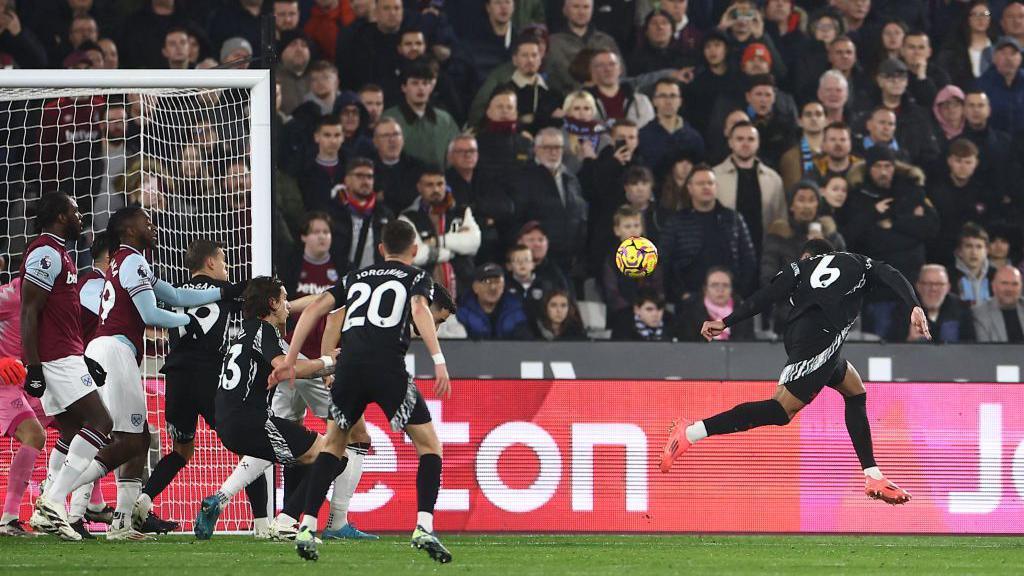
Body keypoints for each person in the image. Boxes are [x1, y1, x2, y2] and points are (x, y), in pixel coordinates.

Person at [662, 238, 928, 507]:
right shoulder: (858, 262)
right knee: (780, 411)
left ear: (810, 255)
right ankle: (692, 432)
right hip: (820, 339)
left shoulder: (798, 269)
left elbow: (765, 297)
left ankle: (873, 475)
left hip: (803, 337)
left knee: (855, 391)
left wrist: (726, 321)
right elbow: (890, 274)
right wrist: (914, 305)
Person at [270, 219, 457, 563]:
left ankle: (308, 526)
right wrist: (439, 359)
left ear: (381, 249)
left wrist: (291, 359)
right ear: (414, 251)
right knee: (429, 445)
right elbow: (418, 309)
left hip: (348, 369)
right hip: (388, 368)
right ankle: (424, 526)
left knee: (334, 445)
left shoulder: (354, 278)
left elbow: (314, 308)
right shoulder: (417, 278)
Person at [191, 276, 337, 541]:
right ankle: (286, 521)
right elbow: (286, 367)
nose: (288, 306)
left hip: (228, 423)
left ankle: (268, 518)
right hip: (250, 421)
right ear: (271, 303)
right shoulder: (264, 330)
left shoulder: (245, 332)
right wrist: (328, 361)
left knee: (302, 451)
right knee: (333, 454)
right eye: (283, 300)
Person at [129, 239, 255, 535]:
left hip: (175, 378)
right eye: (223, 260)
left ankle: (145, 498)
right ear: (210, 263)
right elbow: (254, 297)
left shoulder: (176, 293)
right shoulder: (225, 294)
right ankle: (262, 523)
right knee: (249, 446)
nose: (226, 267)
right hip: (208, 377)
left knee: (182, 450)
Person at [20, 193, 110, 542]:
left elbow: (61, 317)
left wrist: (83, 357)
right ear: (60, 216)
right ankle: (55, 500)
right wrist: (34, 366)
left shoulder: (60, 252)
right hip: (56, 359)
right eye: (75, 211)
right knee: (102, 422)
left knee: (73, 433)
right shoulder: (45, 253)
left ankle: (48, 512)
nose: (80, 216)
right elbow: (29, 311)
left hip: (67, 355)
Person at [713, 120, 787, 258]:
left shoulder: (773, 179)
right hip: (724, 253)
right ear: (730, 142)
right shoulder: (714, 177)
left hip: (765, 253)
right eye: (740, 139)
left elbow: (780, 220)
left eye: (751, 139)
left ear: (758, 143)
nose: (745, 143)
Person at [0, 278, 38, 536]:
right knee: (35, 435)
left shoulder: (50, 294)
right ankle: (9, 518)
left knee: (80, 425)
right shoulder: (13, 294)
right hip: (4, 380)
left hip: (24, 381)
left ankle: (88, 505)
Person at [891, 264, 974, 343]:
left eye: (939, 284)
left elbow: (971, 346)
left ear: (948, 287)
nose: (933, 289)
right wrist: (910, 340)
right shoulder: (903, 310)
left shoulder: (961, 308)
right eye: (928, 284)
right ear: (918, 286)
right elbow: (890, 347)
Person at [675, 267, 754, 342]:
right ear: (705, 289)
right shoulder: (690, 313)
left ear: (731, 289)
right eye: (714, 285)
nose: (720, 290)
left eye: (725, 285)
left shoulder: (743, 313)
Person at [456, 263, 532, 340]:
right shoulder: (462, 314)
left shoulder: (515, 311)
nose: (493, 287)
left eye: (497, 281)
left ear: (503, 286)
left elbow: (525, 345)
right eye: (487, 281)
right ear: (475, 287)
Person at [973, 265, 1024, 342]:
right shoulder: (980, 314)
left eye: (1015, 284)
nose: (1009, 289)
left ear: (1021, 287)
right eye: (1004, 283)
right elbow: (984, 350)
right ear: (993, 286)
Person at [950, 223, 996, 306]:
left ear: (987, 250)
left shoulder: (996, 275)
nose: (974, 252)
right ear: (959, 251)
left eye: (979, 247)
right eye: (968, 246)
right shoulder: (948, 275)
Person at [610, 290, 674, 341]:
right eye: (649, 309)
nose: (655, 314)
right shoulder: (623, 327)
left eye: (659, 309)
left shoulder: (672, 324)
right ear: (637, 310)